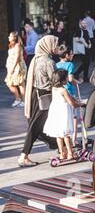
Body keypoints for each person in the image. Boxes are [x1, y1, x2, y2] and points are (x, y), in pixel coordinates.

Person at [19, 36, 59, 167]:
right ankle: (24, 156)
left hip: (34, 95)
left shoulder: (35, 59)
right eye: (55, 44)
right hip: (45, 96)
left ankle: (56, 143)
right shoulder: (48, 62)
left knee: (38, 124)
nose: (56, 47)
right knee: (36, 125)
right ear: (48, 45)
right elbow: (55, 81)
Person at [43, 69, 81, 161]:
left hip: (55, 112)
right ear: (63, 80)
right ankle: (70, 153)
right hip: (63, 113)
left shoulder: (54, 88)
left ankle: (62, 153)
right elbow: (72, 103)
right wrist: (80, 104)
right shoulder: (63, 90)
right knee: (66, 135)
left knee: (58, 135)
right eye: (67, 77)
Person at [56, 45, 81, 145]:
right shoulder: (70, 64)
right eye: (71, 54)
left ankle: (64, 139)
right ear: (66, 55)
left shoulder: (56, 65)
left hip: (59, 92)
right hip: (69, 92)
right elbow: (70, 79)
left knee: (63, 115)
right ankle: (73, 139)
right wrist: (77, 81)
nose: (72, 55)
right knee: (74, 116)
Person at [5, 31, 27, 108]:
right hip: (12, 67)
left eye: (10, 36)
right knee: (10, 83)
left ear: (14, 37)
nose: (8, 37)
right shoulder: (11, 45)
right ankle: (18, 99)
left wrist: (13, 68)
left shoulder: (18, 45)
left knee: (20, 83)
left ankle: (23, 101)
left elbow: (17, 57)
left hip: (18, 67)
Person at [73, 19, 92, 83]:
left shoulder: (86, 31)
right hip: (82, 49)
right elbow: (76, 39)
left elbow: (88, 39)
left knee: (87, 63)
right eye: (83, 23)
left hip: (87, 49)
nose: (85, 24)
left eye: (85, 23)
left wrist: (90, 44)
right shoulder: (79, 31)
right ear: (80, 24)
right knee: (85, 63)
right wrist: (84, 43)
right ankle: (77, 74)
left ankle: (84, 77)